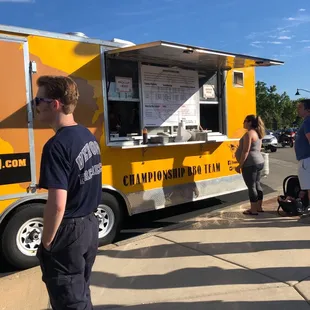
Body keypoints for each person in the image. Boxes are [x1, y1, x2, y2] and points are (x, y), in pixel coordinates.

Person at [34, 75, 102, 309]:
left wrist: (47, 242)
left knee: (69, 301)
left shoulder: (56, 146)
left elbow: (57, 204)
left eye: (38, 100)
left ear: (54, 104)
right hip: (90, 227)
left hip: (69, 231)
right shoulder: (87, 136)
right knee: (81, 292)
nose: (36, 106)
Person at [235, 115, 265, 215]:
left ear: (249, 122)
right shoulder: (258, 133)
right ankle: (259, 207)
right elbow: (258, 149)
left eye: (245, 121)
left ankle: (253, 209)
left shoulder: (249, 134)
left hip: (250, 163)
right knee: (257, 184)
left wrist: (240, 165)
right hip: (259, 161)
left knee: (251, 186)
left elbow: (245, 151)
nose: (243, 123)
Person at [294, 98, 310, 214]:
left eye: (300, 107)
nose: (297, 109)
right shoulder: (306, 121)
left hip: (307, 160)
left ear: (308, 110)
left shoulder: (308, 121)